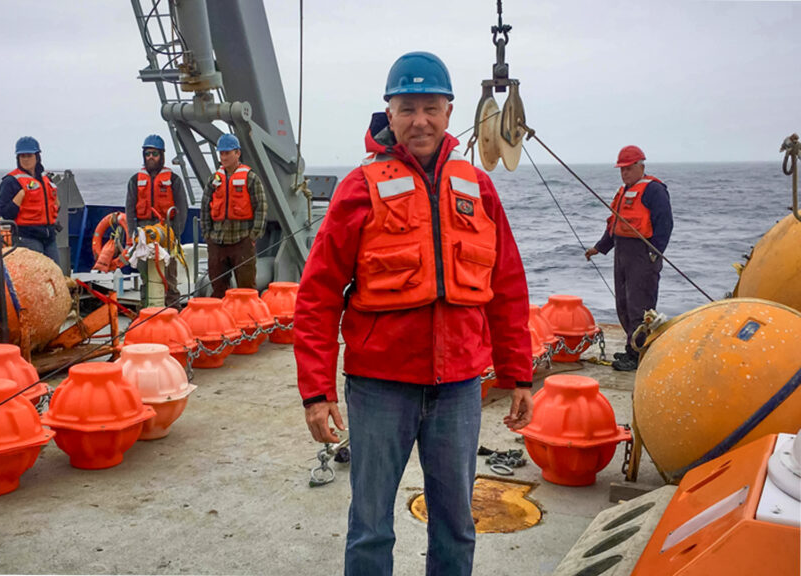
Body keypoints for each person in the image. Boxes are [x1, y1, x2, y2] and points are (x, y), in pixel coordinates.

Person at [294, 51, 534, 576]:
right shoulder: (359, 188)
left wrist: (518, 374)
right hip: (380, 386)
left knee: (455, 525)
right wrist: (316, 391)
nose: (419, 120)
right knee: (370, 526)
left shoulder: (478, 185)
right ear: (389, 113)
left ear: (451, 112)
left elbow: (508, 286)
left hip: (459, 390)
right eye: (407, 108)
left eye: (431, 107)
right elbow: (318, 294)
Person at [584, 145, 673, 371]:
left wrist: (655, 252)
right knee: (622, 303)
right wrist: (599, 248)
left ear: (641, 166)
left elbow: (665, 223)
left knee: (639, 306)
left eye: (629, 169)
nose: (625, 174)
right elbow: (615, 224)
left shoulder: (654, 190)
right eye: (622, 169)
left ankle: (637, 354)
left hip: (642, 255)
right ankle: (631, 346)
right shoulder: (622, 192)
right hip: (622, 254)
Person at [199, 133, 267, 298]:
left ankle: (246, 320)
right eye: (221, 153)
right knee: (218, 288)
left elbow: (261, 207)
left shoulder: (251, 179)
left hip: (242, 241)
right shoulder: (214, 179)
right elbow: (205, 207)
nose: (224, 157)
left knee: (246, 289)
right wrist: (207, 234)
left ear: (237, 153)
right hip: (217, 242)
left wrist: (253, 235)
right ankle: (220, 321)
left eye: (227, 153)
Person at [125, 134, 189, 307]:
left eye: (154, 153)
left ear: (162, 155)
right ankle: (145, 311)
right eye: (147, 154)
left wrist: (174, 234)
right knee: (146, 277)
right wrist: (133, 235)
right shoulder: (135, 181)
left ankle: (173, 312)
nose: (151, 157)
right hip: (143, 234)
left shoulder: (174, 180)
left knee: (169, 278)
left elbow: (182, 209)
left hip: (166, 232)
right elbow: (129, 209)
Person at [0, 136, 61, 265]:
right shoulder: (11, 181)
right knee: (36, 275)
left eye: (29, 155)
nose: (26, 159)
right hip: (27, 237)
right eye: (22, 156)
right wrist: (19, 197)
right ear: (18, 158)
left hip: (49, 236)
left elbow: (55, 203)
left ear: (37, 157)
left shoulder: (46, 178)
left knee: (56, 273)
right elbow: (5, 212)